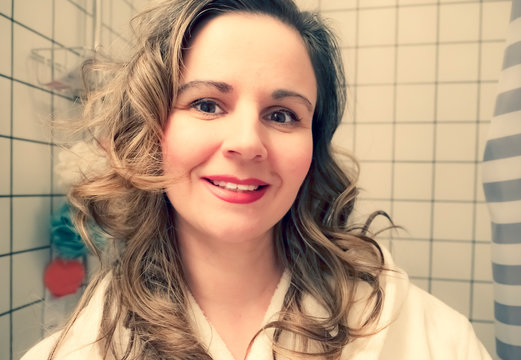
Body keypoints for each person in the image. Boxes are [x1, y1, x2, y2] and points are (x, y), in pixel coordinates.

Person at [24, 0, 492, 359]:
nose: (247, 142)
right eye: (207, 104)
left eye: (283, 114)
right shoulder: (75, 350)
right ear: (152, 131)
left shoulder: (435, 338)